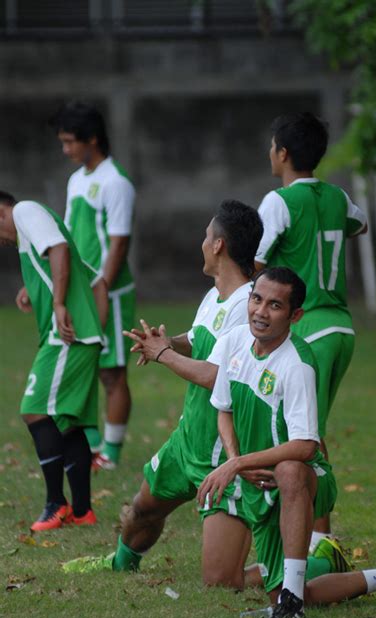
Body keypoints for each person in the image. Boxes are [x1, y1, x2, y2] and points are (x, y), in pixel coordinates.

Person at [197, 268, 376, 618]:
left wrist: (236, 465)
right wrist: (235, 461)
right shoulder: (233, 341)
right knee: (235, 582)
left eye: (275, 305)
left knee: (290, 470)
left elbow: (306, 447)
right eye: (256, 299)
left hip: (307, 480)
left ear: (295, 316)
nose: (260, 312)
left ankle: (290, 605)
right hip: (257, 484)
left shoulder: (297, 364)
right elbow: (224, 411)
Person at [63, 200, 269, 586]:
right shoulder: (216, 296)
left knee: (221, 581)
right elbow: (197, 340)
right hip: (188, 437)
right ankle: (120, 566)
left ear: (219, 245)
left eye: (207, 236)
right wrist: (166, 342)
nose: (202, 243)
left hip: (222, 452)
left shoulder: (248, 305)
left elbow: (219, 377)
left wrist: (163, 356)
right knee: (143, 509)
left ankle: (306, 567)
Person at [255, 113, 367, 544]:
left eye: (271, 146)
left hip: (310, 327)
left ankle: (319, 543)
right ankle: (317, 538)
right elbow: (361, 224)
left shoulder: (279, 202)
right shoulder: (337, 196)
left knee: (300, 436)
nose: (270, 153)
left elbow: (258, 262)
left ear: (282, 153)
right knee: (311, 429)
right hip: (341, 328)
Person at [0, 191, 106, 530]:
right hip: (78, 337)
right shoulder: (36, 230)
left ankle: (55, 505)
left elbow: (58, 250)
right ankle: (83, 510)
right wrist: (95, 331)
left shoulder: (25, 211)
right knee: (66, 421)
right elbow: (96, 280)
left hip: (66, 338)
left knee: (34, 409)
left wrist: (61, 305)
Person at [50, 101, 136, 471]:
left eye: (71, 142)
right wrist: (57, 281)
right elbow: (65, 236)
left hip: (110, 293)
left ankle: (111, 455)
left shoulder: (116, 183)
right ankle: (93, 446)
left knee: (112, 372)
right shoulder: (76, 181)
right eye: (64, 142)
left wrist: (102, 286)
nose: (66, 149)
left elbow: (119, 242)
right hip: (82, 289)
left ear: (93, 139)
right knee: (81, 365)